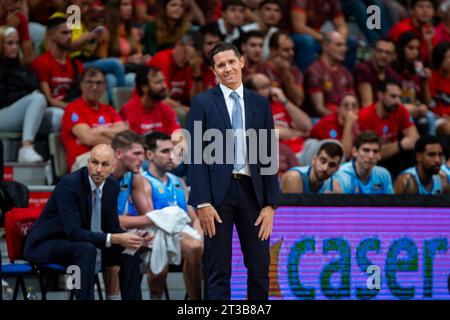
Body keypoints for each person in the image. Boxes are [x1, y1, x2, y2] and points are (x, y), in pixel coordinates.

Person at [187, 41, 279, 300]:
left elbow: (268, 155)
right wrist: (202, 202)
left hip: (253, 193)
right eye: (220, 65)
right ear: (213, 71)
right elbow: (195, 155)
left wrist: (271, 205)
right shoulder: (202, 103)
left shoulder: (260, 103)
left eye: (230, 62)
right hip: (217, 197)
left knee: (260, 267)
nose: (227, 69)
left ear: (241, 62)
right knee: (218, 268)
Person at [23, 144, 149, 300]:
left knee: (129, 250)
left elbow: (111, 227)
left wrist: (134, 238)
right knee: (86, 249)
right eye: (94, 162)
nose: (98, 169)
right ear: (88, 162)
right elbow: (75, 233)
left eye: (104, 164)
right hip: (47, 244)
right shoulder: (69, 185)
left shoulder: (111, 186)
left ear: (113, 166)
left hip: (81, 243)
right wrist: (117, 238)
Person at [142, 132, 203, 300]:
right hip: (156, 233)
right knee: (189, 247)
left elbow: (192, 215)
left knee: (198, 245)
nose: (172, 156)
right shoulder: (143, 181)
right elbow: (151, 219)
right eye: (165, 151)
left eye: (173, 151)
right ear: (149, 155)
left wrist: (199, 231)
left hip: (181, 233)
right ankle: (157, 296)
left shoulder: (178, 181)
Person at [61, 68, 129, 171]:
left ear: (104, 86)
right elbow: (88, 138)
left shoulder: (109, 109)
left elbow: (125, 133)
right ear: (81, 85)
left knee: (134, 162)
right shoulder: (73, 108)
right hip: (84, 161)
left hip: (110, 157)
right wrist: (114, 138)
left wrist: (101, 130)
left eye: (99, 83)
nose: (94, 87)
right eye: (89, 82)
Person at [0, 26, 47, 162]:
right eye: (9, 43)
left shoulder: (22, 67)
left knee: (57, 116)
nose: (15, 47)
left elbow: (33, 86)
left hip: (21, 111)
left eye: (16, 43)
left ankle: (52, 165)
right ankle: (26, 148)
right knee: (37, 99)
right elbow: (3, 98)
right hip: (3, 113)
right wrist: (26, 94)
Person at [32, 15, 84, 133]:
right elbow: (49, 99)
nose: (69, 36)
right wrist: (73, 109)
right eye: (64, 33)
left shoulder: (77, 65)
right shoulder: (42, 63)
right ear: (52, 36)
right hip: (50, 111)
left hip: (71, 107)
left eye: (70, 32)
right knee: (59, 115)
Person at [358, 78, 420, 176]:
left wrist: (399, 146)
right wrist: (399, 145)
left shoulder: (399, 109)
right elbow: (371, 154)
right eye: (393, 96)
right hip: (372, 164)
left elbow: (415, 138)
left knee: (415, 154)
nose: (398, 101)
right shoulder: (365, 116)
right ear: (380, 95)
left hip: (393, 157)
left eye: (400, 97)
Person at [244, 73, 311, 160]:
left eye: (270, 85)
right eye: (264, 86)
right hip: (283, 155)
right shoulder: (251, 110)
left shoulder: (278, 104)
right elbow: (272, 131)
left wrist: (284, 100)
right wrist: (300, 133)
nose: (270, 90)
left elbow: (307, 126)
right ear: (251, 92)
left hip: (303, 148)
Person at [303, 30, 354, 117]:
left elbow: (353, 102)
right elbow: (319, 109)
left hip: (344, 116)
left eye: (345, 45)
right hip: (320, 119)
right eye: (338, 45)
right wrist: (341, 119)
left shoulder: (346, 72)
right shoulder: (315, 71)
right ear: (325, 46)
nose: (344, 49)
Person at [120, 66, 181, 136]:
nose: (164, 86)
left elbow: (178, 140)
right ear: (144, 87)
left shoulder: (168, 111)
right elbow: (130, 142)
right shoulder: (128, 111)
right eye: (158, 82)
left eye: (164, 81)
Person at [258, 31, 304, 107]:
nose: (291, 53)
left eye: (292, 49)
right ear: (273, 50)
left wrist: (286, 73)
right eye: (286, 50)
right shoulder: (260, 69)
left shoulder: (295, 71)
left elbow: (298, 101)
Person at [310, 91, 359, 160]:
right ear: (338, 109)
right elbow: (344, 155)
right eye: (346, 105)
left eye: (354, 106)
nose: (350, 109)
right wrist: (348, 124)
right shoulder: (328, 123)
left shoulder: (359, 122)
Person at [353, 37, 401, 107]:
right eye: (379, 51)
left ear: (394, 56)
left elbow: (397, 103)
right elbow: (367, 106)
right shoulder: (363, 70)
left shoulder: (394, 75)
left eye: (387, 53)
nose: (383, 55)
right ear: (373, 52)